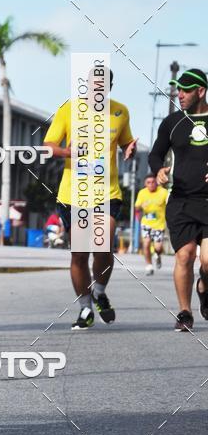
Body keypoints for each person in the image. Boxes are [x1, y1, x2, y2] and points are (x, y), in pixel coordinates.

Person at [44, 71, 137, 329]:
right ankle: (85, 308)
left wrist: (129, 149)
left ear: (109, 87)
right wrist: (67, 152)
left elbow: (126, 143)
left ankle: (99, 291)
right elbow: (48, 146)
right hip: (73, 194)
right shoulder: (68, 109)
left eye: (101, 86)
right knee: (79, 254)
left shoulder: (120, 112)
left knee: (103, 245)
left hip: (107, 192)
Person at [149, 69, 208, 332]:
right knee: (184, 255)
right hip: (181, 200)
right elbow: (155, 154)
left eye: (186, 89)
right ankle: (185, 312)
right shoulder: (172, 122)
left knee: (207, 262)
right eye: (178, 89)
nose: (179, 94)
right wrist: (158, 170)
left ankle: (203, 286)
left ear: (201, 91)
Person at [135, 174, 167, 275]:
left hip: (159, 224)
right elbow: (136, 208)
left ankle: (158, 256)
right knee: (146, 243)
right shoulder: (142, 193)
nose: (151, 184)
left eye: (153, 182)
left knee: (158, 248)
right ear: (145, 184)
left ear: (156, 182)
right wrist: (141, 206)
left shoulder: (163, 192)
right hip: (146, 223)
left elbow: (170, 204)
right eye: (148, 182)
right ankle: (149, 265)